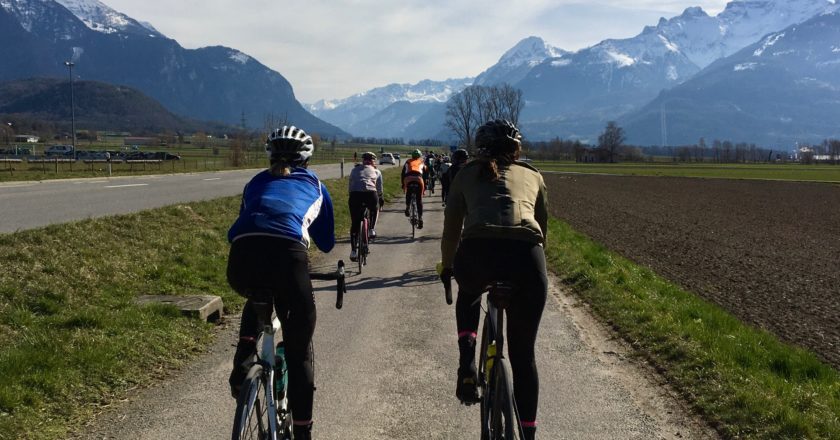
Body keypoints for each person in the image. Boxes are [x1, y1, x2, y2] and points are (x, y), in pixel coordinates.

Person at [440, 120, 548, 440]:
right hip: (526, 259)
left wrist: (448, 267)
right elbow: (543, 230)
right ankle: (528, 434)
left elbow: (451, 232)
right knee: (523, 355)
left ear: (480, 147)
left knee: (470, 294)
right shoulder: (534, 176)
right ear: (516, 149)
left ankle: (467, 368)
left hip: (478, 254)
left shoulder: (464, 174)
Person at [226, 125, 334, 440]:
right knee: (299, 352)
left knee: (258, 293)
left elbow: (243, 223)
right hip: (287, 259)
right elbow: (326, 242)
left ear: (270, 155)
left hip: (242, 258)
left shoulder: (255, 182)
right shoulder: (315, 184)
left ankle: (244, 355)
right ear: (307, 159)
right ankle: (303, 434)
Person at [348, 151, 384, 261]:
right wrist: (380, 198)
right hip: (370, 194)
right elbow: (379, 188)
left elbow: (351, 185)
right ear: (373, 161)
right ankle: (371, 229)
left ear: (363, 160)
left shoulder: (354, 169)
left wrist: (351, 195)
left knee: (355, 223)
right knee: (375, 207)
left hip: (355, 195)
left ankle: (354, 251)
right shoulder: (377, 171)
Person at [401, 149, 428, 229]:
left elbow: (403, 174)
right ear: (419, 156)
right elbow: (426, 175)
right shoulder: (422, 162)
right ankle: (420, 218)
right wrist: (425, 185)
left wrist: (403, 184)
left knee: (408, 193)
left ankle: (407, 207)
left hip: (408, 179)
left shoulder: (408, 162)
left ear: (412, 156)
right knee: (419, 200)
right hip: (419, 180)